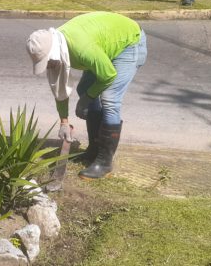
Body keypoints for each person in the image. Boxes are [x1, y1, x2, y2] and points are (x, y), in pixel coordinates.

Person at [26, 12, 147, 179]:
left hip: (129, 43)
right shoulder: (56, 45)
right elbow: (59, 85)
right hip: (103, 45)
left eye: (48, 61)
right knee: (84, 87)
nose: (49, 65)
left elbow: (108, 75)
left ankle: (105, 163)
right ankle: (94, 149)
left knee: (110, 100)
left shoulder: (81, 49)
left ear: (53, 52)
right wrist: (64, 121)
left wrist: (87, 99)